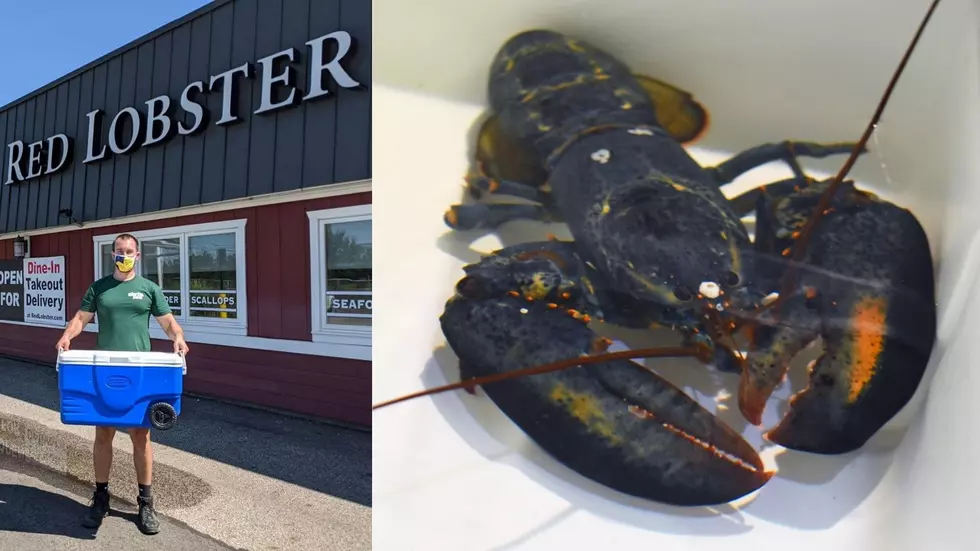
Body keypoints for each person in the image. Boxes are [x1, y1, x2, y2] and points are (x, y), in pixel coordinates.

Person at [55, 232, 189, 535]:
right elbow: (81, 318)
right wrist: (67, 335)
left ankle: (145, 502)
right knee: (103, 433)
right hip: (105, 370)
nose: (123, 255)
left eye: (129, 251)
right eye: (119, 251)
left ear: (137, 256)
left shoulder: (148, 289)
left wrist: (178, 337)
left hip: (140, 372)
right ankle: (101, 496)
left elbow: (168, 322)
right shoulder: (100, 288)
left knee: (141, 436)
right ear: (112, 254)